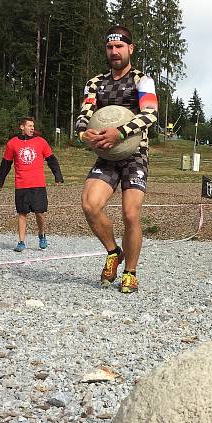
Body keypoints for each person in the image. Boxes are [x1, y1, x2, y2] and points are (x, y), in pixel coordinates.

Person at [76, 25, 158, 294]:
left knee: (130, 213)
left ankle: (130, 273)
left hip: (135, 154)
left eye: (119, 47)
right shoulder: (95, 83)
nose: (114, 52)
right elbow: (84, 114)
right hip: (106, 155)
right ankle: (114, 252)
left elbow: (150, 115)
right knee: (90, 205)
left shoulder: (142, 81)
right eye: (110, 47)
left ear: (130, 48)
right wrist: (82, 134)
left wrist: (119, 132)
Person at [0, 117, 63, 252]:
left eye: (33, 126)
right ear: (22, 127)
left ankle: (41, 234)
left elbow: (52, 160)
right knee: (22, 213)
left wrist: (58, 176)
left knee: (39, 213)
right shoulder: (12, 144)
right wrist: (0, 180)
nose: (32, 128)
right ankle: (21, 242)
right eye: (29, 126)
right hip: (21, 184)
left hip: (38, 184)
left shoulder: (41, 142)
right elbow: (6, 164)